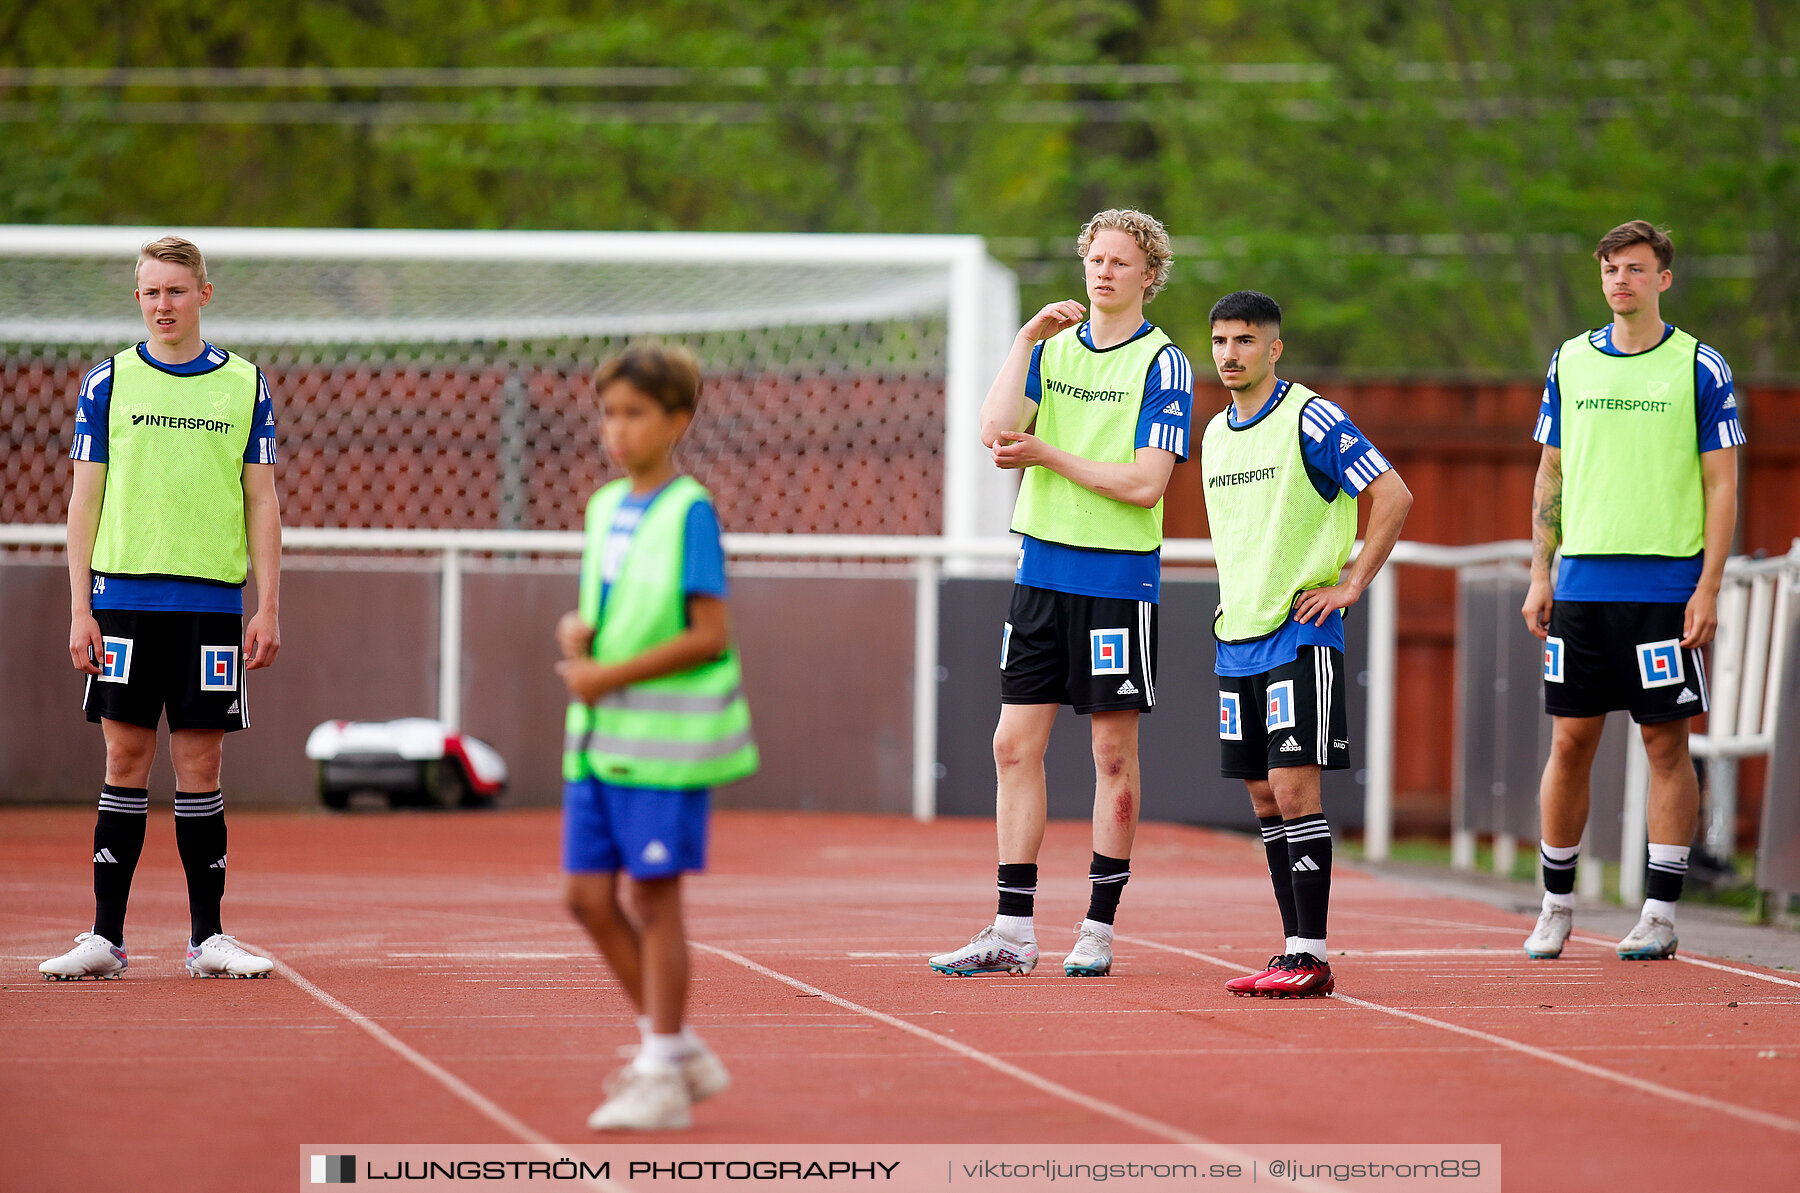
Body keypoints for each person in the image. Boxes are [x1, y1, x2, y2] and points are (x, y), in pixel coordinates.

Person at [929, 208, 1193, 980]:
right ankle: (1013, 929)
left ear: (1149, 275)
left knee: (1112, 753)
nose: (1103, 272)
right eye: (1094, 259)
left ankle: (1098, 927)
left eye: (1120, 261)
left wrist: (1049, 452)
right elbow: (995, 428)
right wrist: (1021, 343)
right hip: (1039, 571)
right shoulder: (1051, 352)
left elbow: (1146, 485)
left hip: (1114, 577)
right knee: (1013, 745)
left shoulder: (1163, 362)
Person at [42, 235, 282, 982]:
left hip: (211, 602)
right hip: (124, 600)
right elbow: (83, 499)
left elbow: (262, 500)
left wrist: (268, 605)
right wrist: (80, 606)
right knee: (125, 757)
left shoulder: (245, 383)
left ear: (203, 295)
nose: (162, 304)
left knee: (201, 762)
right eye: (150, 291)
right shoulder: (107, 382)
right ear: (137, 298)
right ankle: (105, 938)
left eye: (176, 290)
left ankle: (208, 937)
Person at [1520, 220, 1742, 962]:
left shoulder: (1699, 367)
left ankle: (1660, 911)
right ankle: (1555, 904)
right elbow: (1550, 470)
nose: (1621, 280)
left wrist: (1707, 585)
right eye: (1611, 268)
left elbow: (1721, 483)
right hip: (1581, 584)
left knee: (1664, 741)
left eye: (1636, 268)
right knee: (1571, 739)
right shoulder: (1570, 361)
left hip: (1666, 586)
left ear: (1662, 279)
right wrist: (1540, 570)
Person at [556, 344, 758, 1131]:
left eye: (636, 413)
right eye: (609, 412)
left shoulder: (689, 510)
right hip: (597, 738)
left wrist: (611, 674)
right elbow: (616, 606)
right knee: (583, 897)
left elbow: (709, 632)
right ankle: (676, 1049)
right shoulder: (604, 507)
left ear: (677, 420)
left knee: (653, 899)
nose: (618, 429)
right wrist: (582, 633)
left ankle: (661, 1068)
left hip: (661, 745)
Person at [1201, 291, 1411, 998]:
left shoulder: (1309, 415)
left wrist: (1353, 582)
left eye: (1245, 341)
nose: (1230, 354)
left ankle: (1312, 953)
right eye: (1221, 341)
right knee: (1263, 794)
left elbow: (1394, 494)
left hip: (1300, 630)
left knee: (1295, 789)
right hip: (1238, 636)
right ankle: (1291, 948)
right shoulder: (1215, 435)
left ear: (1274, 348)